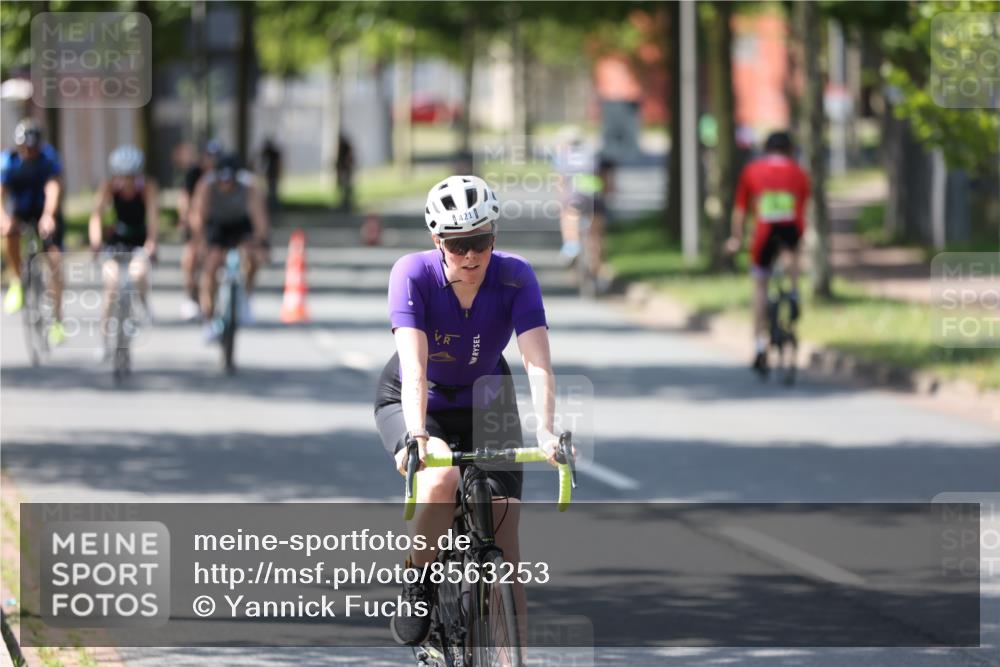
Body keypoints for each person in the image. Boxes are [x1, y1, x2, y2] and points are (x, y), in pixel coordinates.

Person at [373, 174, 563, 647]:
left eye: (481, 241)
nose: (472, 255)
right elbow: (415, 369)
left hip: (486, 396)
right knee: (441, 479)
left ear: (494, 236)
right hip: (419, 398)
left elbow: (537, 362)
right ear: (438, 241)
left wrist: (548, 432)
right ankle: (417, 580)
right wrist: (416, 436)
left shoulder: (515, 275)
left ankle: (510, 655)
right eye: (459, 245)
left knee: (504, 526)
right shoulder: (412, 274)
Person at [725, 130, 811, 373]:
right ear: (790, 150)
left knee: (760, 286)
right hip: (790, 229)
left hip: (763, 234)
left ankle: (760, 345)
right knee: (792, 252)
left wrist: (736, 239)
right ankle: (794, 292)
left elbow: (740, 211)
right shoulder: (798, 172)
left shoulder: (752, 170)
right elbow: (803, 208)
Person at [88, 144, 159, 355]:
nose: (126, 180)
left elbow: (153, 218)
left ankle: (143, 304)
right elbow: (96, 215)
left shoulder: (147, 187)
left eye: (130, 176)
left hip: (139, 239)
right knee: (111, 286)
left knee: (139, 273)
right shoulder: (109, 187)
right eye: (122, 176)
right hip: (117, 239)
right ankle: (104, 341)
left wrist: (151, 243)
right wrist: (96, 240)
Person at [1, 118, 67, 346]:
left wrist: (49, 215)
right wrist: (3, 217)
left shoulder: (48, 159)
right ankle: (17, 281)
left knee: (55, 260)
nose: (28, 153)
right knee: (8, 231)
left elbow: (53, 188)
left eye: (33, 148)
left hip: (44, 211)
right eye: (24, 148)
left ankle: (57, 320)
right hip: (20, 211)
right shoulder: (8, 162)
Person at [190, 153, 270, 341]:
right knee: (210, 267)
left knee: (251, 258)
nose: (226, 185)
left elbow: (259, 219)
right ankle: (209, 317)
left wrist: (260, 241)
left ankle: (246, 298)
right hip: (217, 226)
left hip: (241, 226)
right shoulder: (207, 185)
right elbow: (198, 217)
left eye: (230, 180)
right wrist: (201, 243)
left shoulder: (249, 186)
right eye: (222, 180)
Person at [176, 140, 222, 321]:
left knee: (216, 261)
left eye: (215, 157)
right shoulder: (194, 174)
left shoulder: (223, 174)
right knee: (190, 258)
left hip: (214, 222)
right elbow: (184, 197)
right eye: (209, 157)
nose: (212, 161)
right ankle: (190, 297)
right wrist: (185, 217)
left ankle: (215, 301)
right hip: (194, 222)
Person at [258, 137, 282, 211]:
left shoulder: (273, 153)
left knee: (273, 191)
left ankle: (274, 207)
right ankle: (272, 206)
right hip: (271, 174)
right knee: (271, 191)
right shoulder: (272, 153)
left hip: (272, 174)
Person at [335, 133, 355, 213]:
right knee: (344, 187)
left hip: (345, 170)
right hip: (344, 170)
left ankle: (347, 203)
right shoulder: (343, 147)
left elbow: (348, 160)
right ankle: (344, 203)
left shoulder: (345, 147)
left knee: (346, 187)